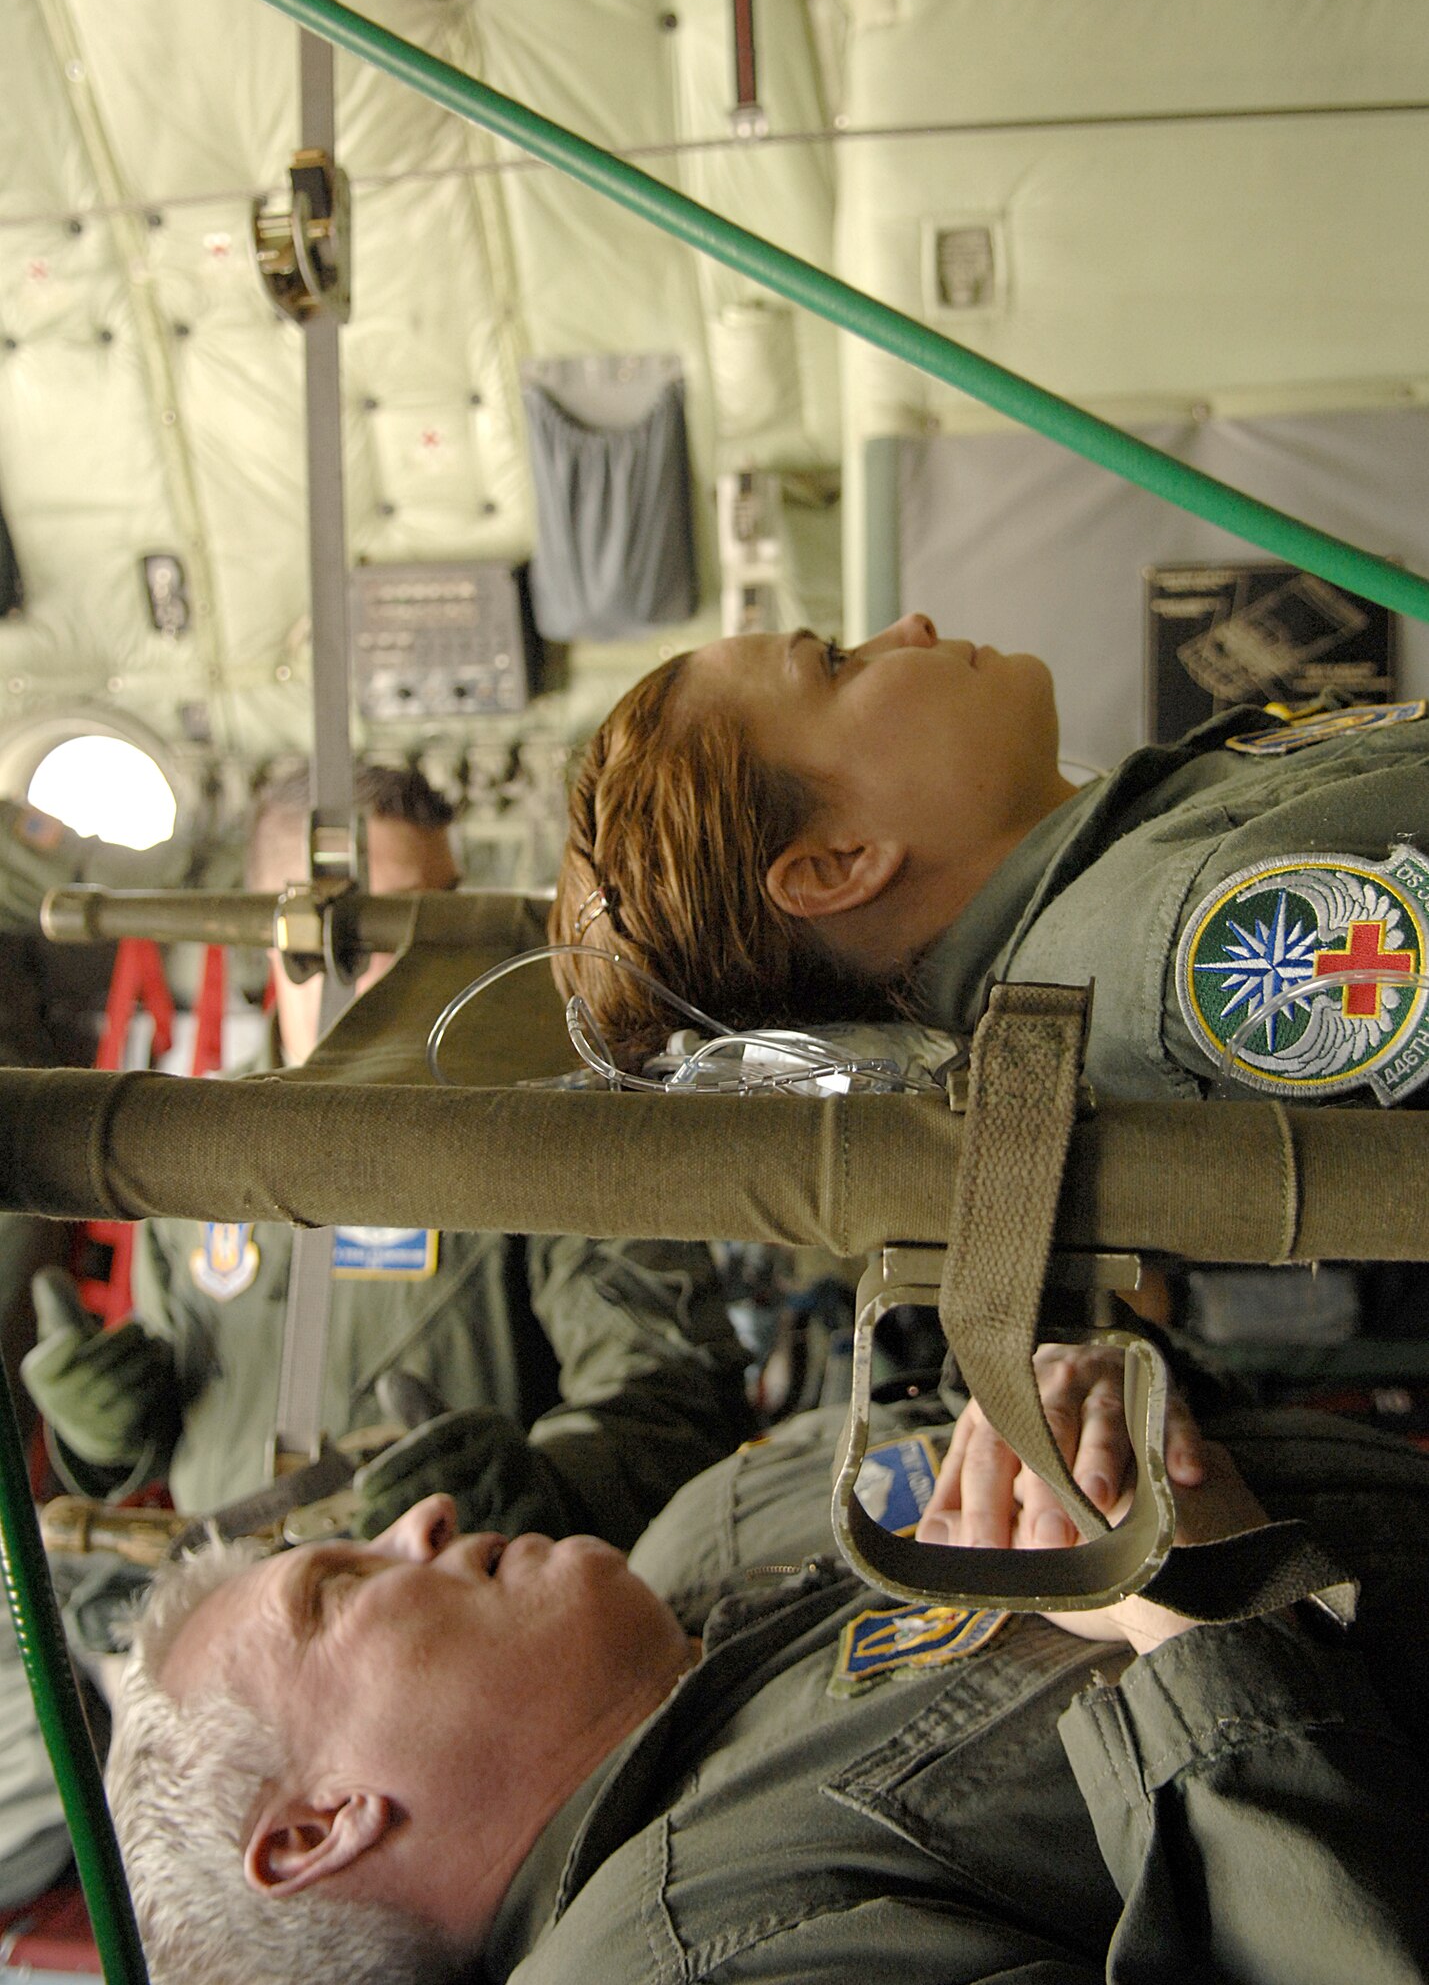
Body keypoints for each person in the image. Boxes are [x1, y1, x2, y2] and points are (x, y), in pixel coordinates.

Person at [103, 1345, 1429, 1985]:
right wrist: (1189, 1606)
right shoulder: (688, 1963)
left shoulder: (696, 1536)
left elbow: (1078, 1378)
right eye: (338, 1587)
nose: (420, 1521)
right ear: (322, 1828)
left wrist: (1084, 1391)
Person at [22, 765, 752, 1541]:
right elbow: (188, 1426)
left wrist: (534, 1490)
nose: (438, 960)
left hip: (456, 1605)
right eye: (391, 928)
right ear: (283, 938)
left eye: (447, 918)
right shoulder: (189, 1139)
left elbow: (673, 1399)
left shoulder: (547, 1129)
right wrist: (106, 1435)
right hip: (231, 1612)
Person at [551, 614, 1429, 1102]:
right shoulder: (1177, 944)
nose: (908, 627)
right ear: (835, 864)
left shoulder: (1135, 879)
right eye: (835, 662)